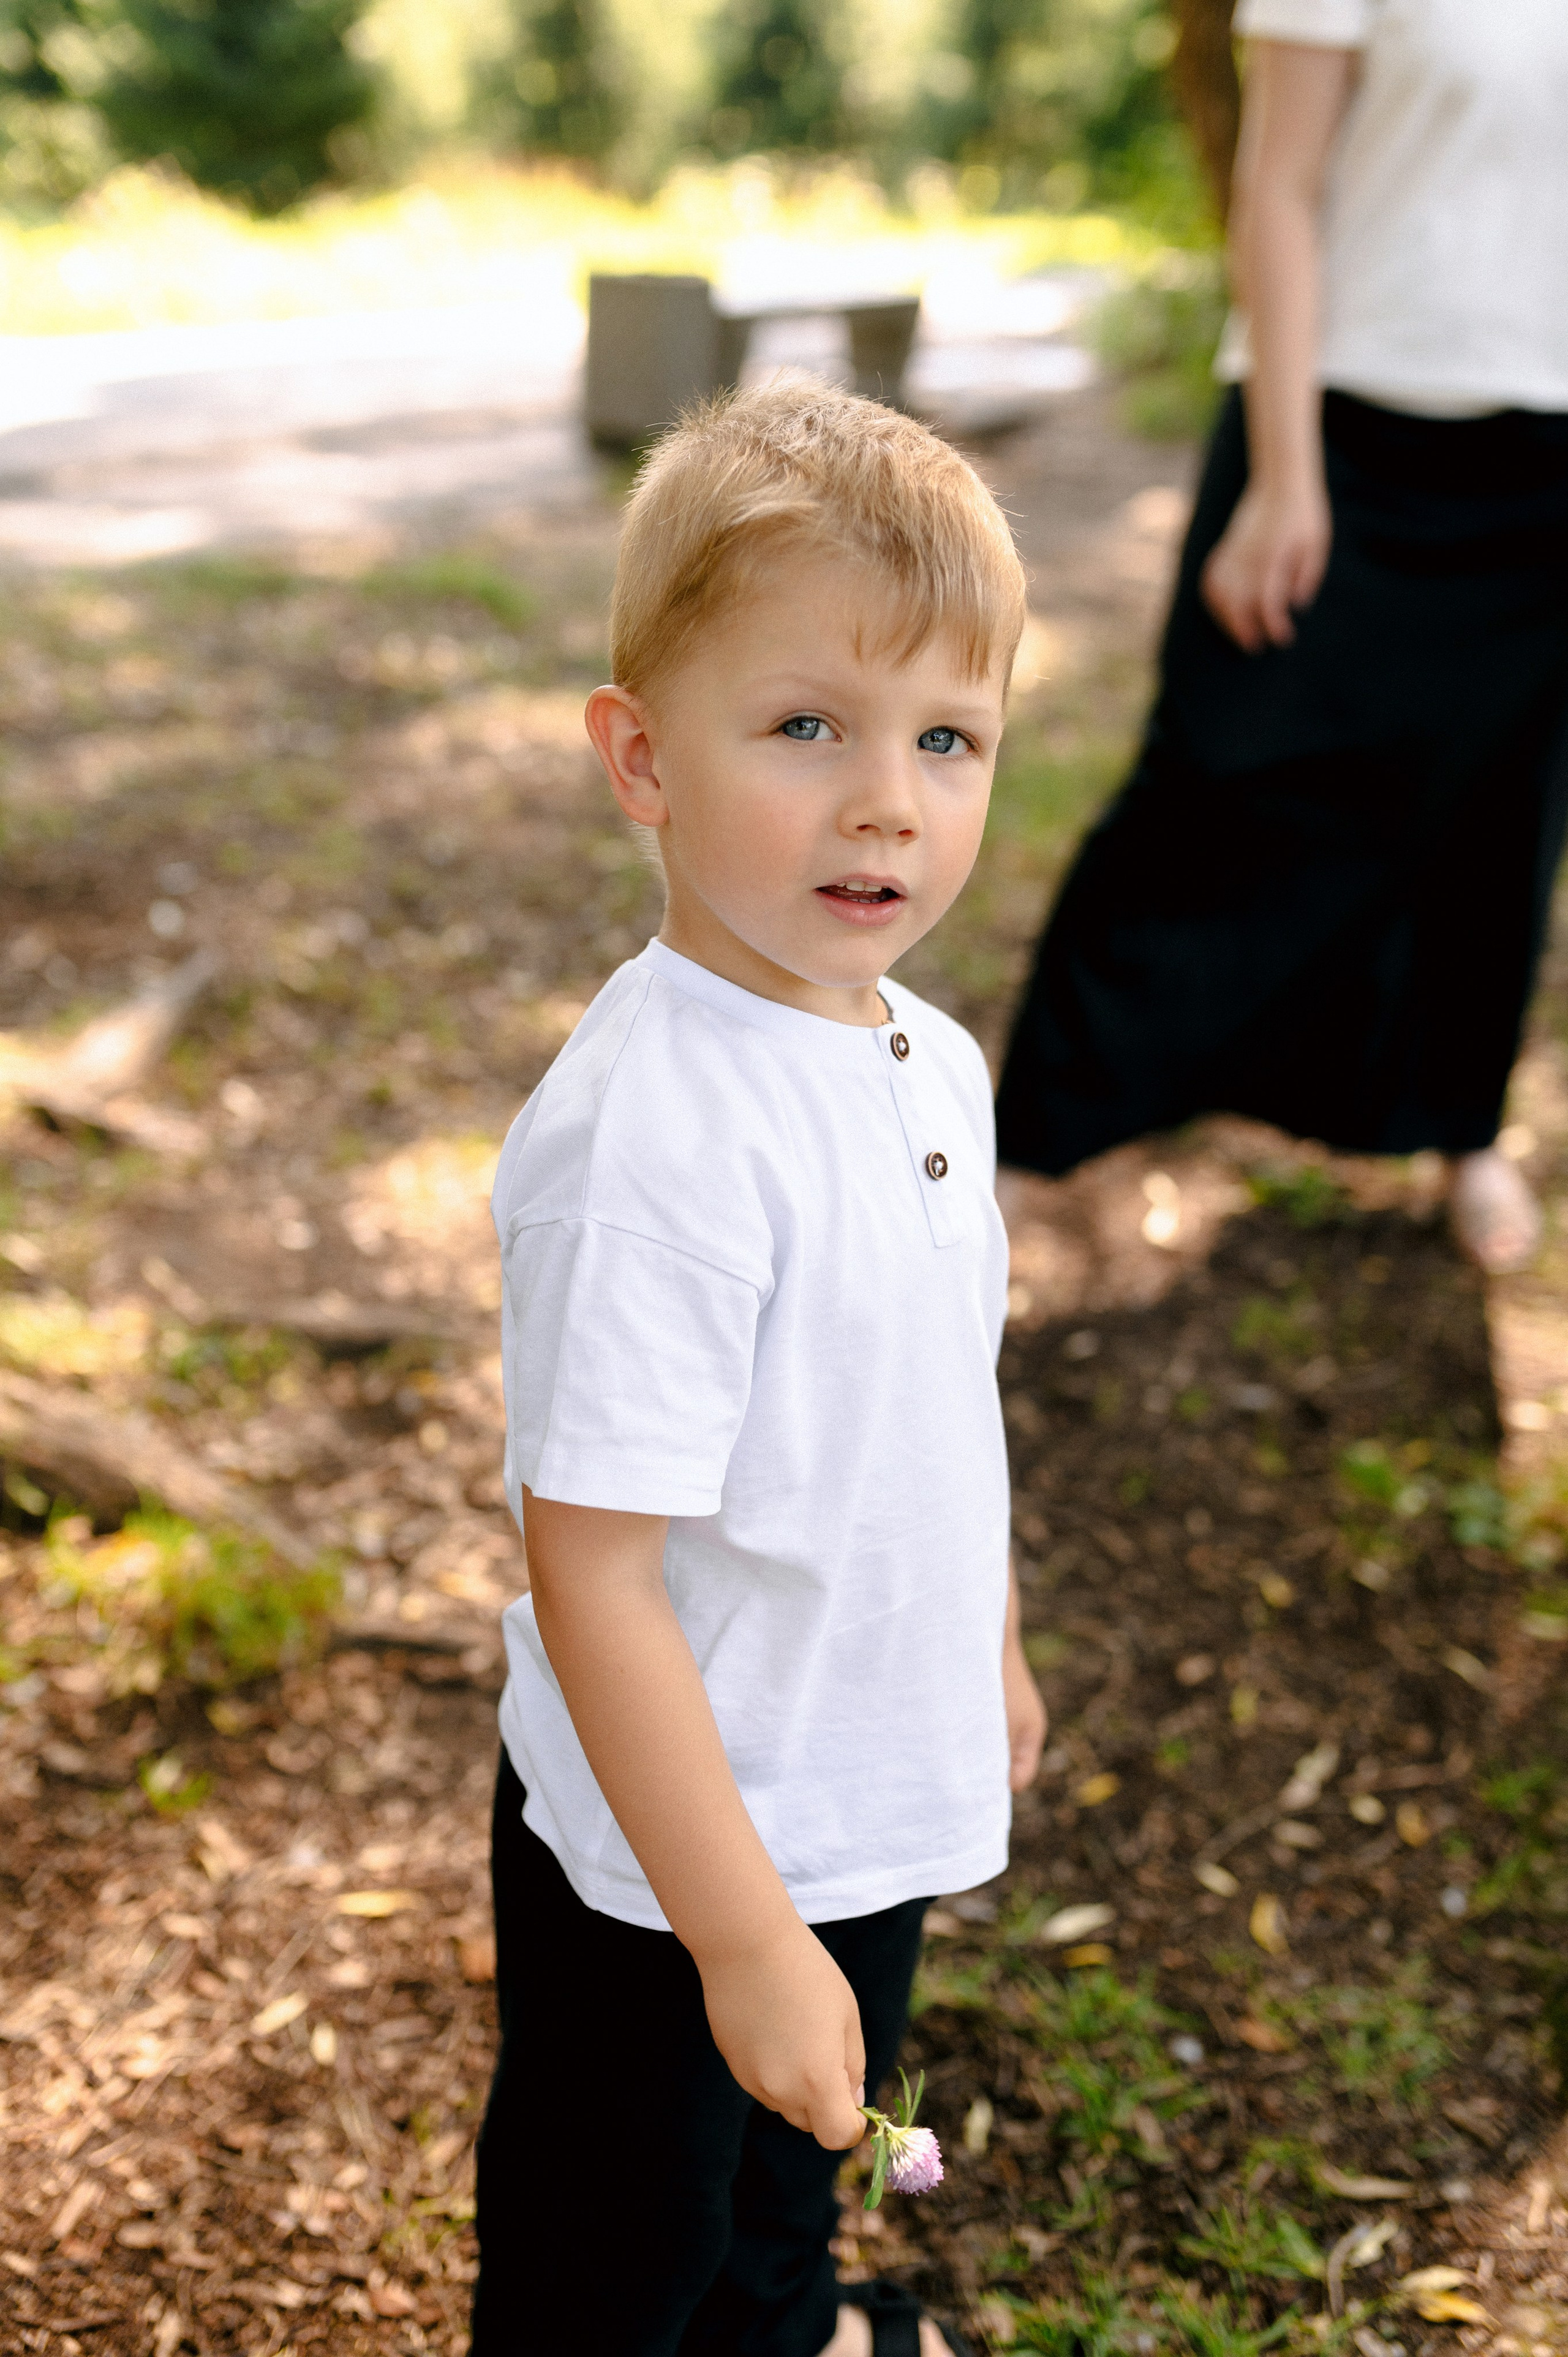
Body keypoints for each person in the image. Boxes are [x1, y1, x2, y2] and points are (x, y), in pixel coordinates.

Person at [471, 379, 1047, 2357]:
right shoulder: (657, 1137)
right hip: (667, 1855)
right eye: (808, 725)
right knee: (614, 2257)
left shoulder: (929, 1057)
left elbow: (936, 1398)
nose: (887, 795)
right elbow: (596, 1566)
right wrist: (733, 1929)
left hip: (854, 1782)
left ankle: (790, 2319)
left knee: (784, 2199)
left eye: (945, 737)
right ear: (638, 758)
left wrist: (987, 1639)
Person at [994, 1, 1568, 1272]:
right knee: (1215, 773)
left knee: (1493, 814)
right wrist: (1282, 472)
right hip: (1343, 430)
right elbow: (1278, 182)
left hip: (1547, 455)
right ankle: (1030, 1144)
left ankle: (1460, 1128)